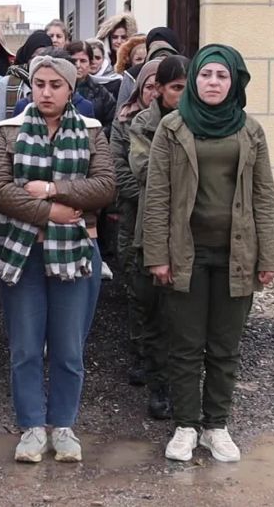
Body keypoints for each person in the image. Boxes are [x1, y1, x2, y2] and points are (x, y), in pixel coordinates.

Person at [142, 44, 274, 463]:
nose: (213, 83)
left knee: (224, 345)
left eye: (222, 76)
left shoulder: (250, 131)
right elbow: (158, 196)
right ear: (195, 79)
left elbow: (264, 196)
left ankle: (216, 425)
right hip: (186, 252)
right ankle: (186, 425)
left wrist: (269, 256)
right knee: (184, 344)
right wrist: (157, 255)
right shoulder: (172, 128)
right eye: (206, 75)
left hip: (237, 253)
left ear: (234, 81)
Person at [0, 54, 115, 464]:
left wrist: (48, 189)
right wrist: (51, 213)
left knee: (68, 348)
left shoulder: (93, 132)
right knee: (25, 346)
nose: (45, 91)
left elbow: (105, 187)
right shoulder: (8, 131)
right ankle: (30, 427)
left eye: (54, 85)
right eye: (39, 84)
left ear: (69, 89)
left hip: (76, 252)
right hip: (21, 252)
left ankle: (63, 426)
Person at [127, 55, 189, 420]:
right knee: (152, 315)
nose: (182, 95)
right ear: (161, 90)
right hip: (149, 231)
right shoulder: (143, 123)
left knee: (183, 319)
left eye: (186, 87)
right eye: (176, 88)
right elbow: (144, 171)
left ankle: (182, 389)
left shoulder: (200, 121)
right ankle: (158, 386)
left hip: (189, 233)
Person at [108, 58, 160, 386]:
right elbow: (118, 169)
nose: (154, 92)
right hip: (133, 214)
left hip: (166, 219)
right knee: (136, 287)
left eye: (160, 85)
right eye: (148, 86)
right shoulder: (125, 121)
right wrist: (154, 201)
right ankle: (141, 353)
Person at [0, 30, 52, 124]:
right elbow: (0, 123)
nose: (39, 62)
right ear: (27, 57)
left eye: (43, 57)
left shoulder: (56, 81)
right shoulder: (6, 82)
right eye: (34, 57)